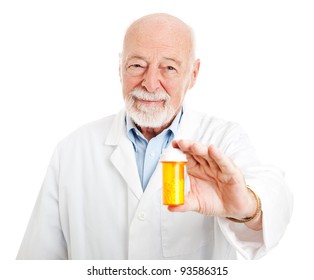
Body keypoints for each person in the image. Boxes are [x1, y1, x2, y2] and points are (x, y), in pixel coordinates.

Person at [16, 13, 293, 260]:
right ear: (120, 66)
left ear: (193, 74)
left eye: (169, 68)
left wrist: (246, 206)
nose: (150, 83)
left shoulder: (222, 138)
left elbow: (273, 191)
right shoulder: (73, 150)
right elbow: (38, 263)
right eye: (137, 65)